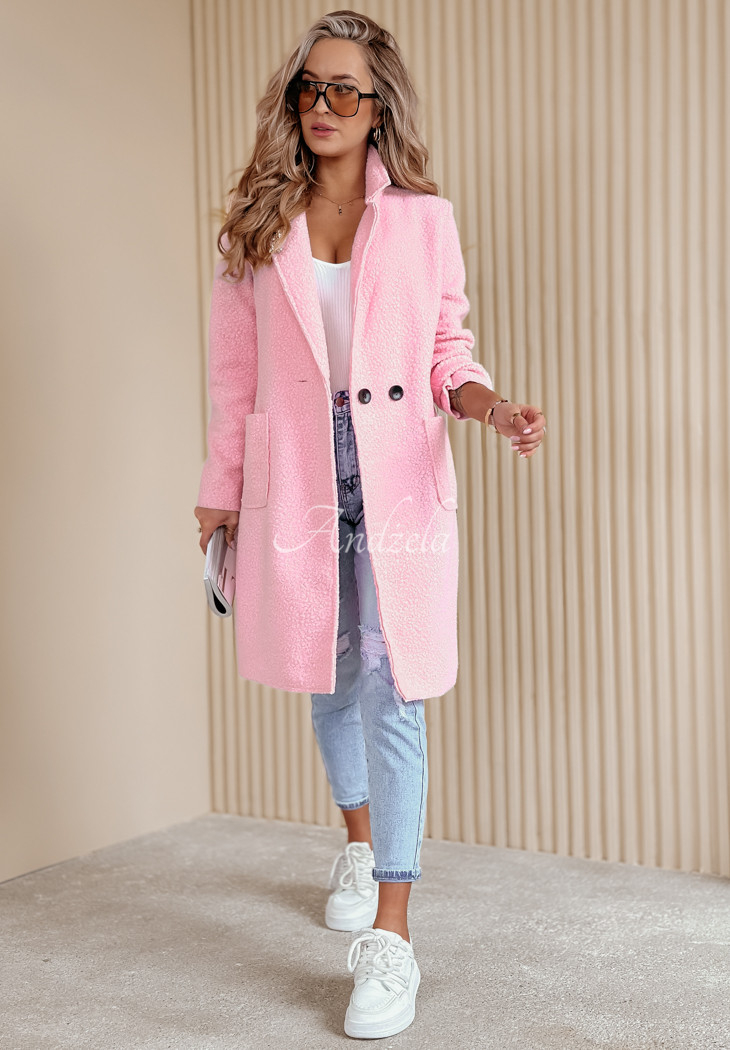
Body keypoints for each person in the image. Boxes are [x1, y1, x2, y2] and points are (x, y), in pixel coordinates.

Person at [194, 10, 546, 1040]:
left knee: (394, 685)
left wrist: (490, 407)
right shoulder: (257, 225)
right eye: (311, 86)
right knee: (332, 669)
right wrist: (219, 490)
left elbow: (446, 351)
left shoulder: (424, 221)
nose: (324, 105)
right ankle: (355, 840)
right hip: (297, 475)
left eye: (345, 88)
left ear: (379, 104)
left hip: (396, 477)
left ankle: (392, 931)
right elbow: (233, 383)